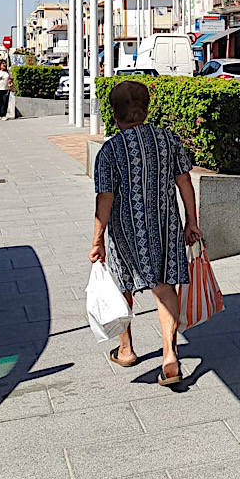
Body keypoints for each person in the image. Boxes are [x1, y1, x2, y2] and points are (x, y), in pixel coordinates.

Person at [89, 80, 202, 386]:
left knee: (122, 286)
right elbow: (185, 183)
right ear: (147, 109)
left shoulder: (109, 151)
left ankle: (126, 350)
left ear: (114, 113)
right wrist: (191, 222)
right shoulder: (168, 139)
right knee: (165, 286)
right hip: (165, 224)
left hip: (125, 231)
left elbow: (105, 198)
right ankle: (169, 355)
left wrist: (97, 238)